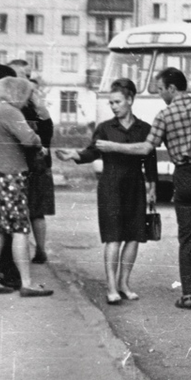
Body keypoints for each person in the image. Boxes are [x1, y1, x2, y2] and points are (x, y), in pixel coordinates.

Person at [97, 67, 191, 310]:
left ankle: (188, 295)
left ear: (172, 89)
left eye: (161, 89)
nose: (160, 94)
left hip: (184, 179)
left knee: (187, 239)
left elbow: (145, 149)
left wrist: (113, 147)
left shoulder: (164, 116)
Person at [56, 78, 157, 304]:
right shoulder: (105, 128)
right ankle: (111, 286)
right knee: (113, 237)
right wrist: (75, 156)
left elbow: (149, 159)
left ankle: (124, 283)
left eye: (117, 102)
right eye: (111, 103)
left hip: (135, 185)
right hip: (111, 185)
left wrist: (152, 186)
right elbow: (92, 151)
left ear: (130, 100)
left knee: (134, 237)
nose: (113, 106)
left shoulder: (144, 128)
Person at [0, 76, 51, 298]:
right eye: (26, 95)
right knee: (19, 230)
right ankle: (27, 283)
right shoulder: (10, 111)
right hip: (7, 178)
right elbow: (29, 139)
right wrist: (39, 142)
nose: (27, 101)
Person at [8, 59, 54, 264]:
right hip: (27, 158)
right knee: (29, 210)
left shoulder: (31, 101)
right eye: (21, 74)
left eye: (27, 75)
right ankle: (32, 251)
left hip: (34, 160)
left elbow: (47, 131)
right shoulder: (21, 100)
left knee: (34, 209)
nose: (25, 79)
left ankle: (40, 250)